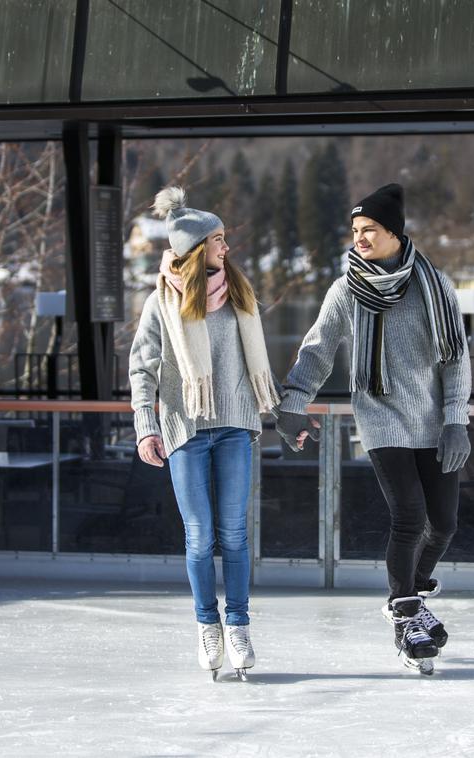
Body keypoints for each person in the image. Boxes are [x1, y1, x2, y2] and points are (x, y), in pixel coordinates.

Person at [276, 183, 471, 673]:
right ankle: (406, 611)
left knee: (443, 523)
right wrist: (294, 403)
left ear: (395, 234)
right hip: (380, 416)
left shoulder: (434, 286)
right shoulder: (346, 290)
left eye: (370, 231)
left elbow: (456, 361)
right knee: (409, 516)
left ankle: (412, 592)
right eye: (356, 231)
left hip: (432, 418)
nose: (359, 239)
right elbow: (318, 349)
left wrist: (456, 420)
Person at [129, 186, 280, 680]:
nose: (225, 248)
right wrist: (146, 426)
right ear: (197, 249)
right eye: (217, 240)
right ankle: (206, 624)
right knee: (199, 536)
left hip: (235, 424)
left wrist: (283, 413)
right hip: (186, 428)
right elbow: (141, 369)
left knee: (234, 533)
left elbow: (257, 363)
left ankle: (238, 623)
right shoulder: (161, 304)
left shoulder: (240, 293)